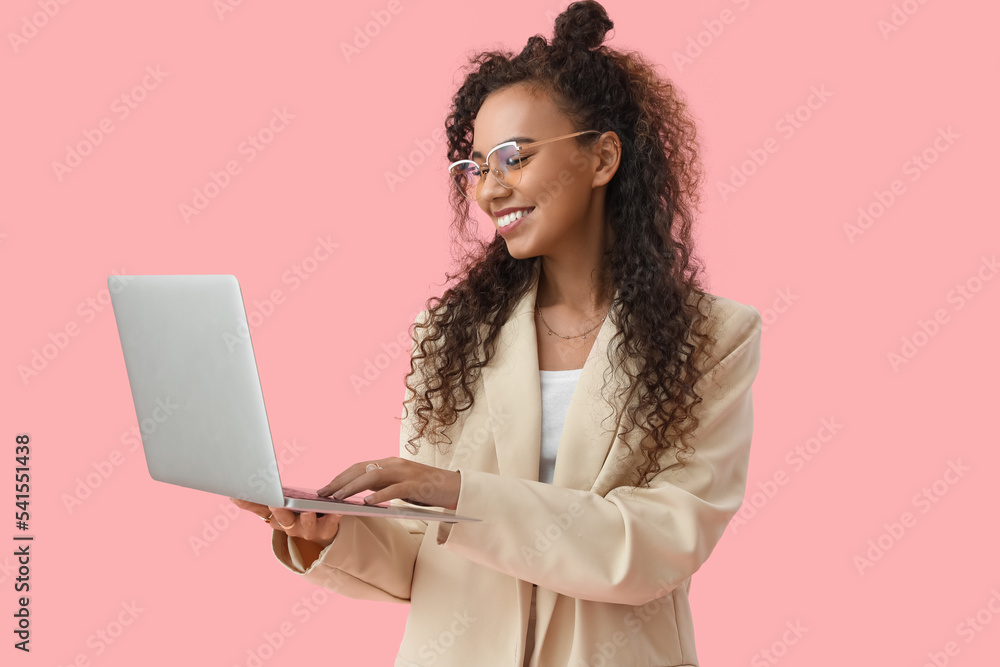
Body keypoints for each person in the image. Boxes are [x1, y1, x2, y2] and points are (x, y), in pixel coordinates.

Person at [231, 2, 762, 665]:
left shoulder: (712, 336)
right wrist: (327, 535)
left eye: (513, 157)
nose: (487, 191)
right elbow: (426, 557)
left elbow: (657, 545)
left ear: (602, 157)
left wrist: (459, 493)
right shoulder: (452, 333)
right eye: (476, 166)